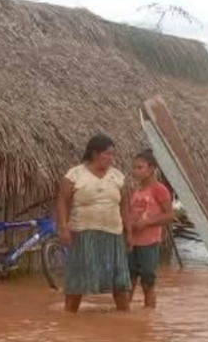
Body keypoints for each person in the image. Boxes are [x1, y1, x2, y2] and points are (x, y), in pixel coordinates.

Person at [54, 134, 131, 313]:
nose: (111, 158)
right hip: (83, 233)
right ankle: (69, 317)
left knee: (119, 281)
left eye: (113, 155)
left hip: (112, 233)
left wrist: (129, 232)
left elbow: (125, 206)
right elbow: (62, 202)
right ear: (95, 153)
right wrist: (63, 228)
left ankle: (124, 318)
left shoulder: (117, 176)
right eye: (108, 154)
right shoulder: (75, 174)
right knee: (77, 280)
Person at [126, 149, 174, 309]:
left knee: (148, 281)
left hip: (149, 242)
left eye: (140, 167)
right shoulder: (136, 191)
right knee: (128, 281)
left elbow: (169, 216)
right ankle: (125, 314)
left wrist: (147, 222)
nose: (136, 171)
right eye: (134, 168)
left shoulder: (159, 189)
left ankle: (149, 318)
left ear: (152, 168)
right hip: (133, 242)